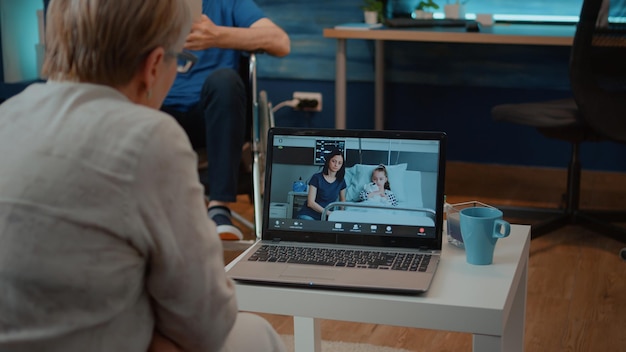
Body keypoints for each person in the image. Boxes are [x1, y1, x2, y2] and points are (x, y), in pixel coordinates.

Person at [0, 1, 285, 351]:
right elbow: (208, 326)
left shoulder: (8, 114)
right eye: (178, 60)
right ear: (152, 66)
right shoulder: (149, 138)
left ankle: (219, 207)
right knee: (253, 332)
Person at [161, 0, 290, 241]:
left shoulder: (227, 3)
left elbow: (280, 42)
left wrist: (217, 35)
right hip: (159, 113)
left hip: (214, 117)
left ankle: (219, 209)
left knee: (225, 80)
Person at [297, 149, 347, 220]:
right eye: (333, 161)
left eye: (339, 163)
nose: (336, 165)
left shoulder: (341, 181)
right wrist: (328, 213)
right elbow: (310, 203)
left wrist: (341, 215)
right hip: (309, 214)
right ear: (328, 161)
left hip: (327, 217)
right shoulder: (316, 178)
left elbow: (343, 200)